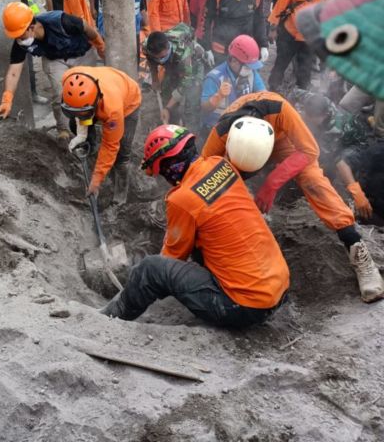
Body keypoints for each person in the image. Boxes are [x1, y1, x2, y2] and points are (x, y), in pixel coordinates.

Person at [201, 90, 384, 303]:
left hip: (280, 141)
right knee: (222, 190)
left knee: (313, 180)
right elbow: (202, 176)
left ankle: (358, 252)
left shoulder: (281, 109)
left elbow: (310, 151)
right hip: (238, 156)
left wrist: (272, 183)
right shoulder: (221, 134)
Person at [101, 124, 290, 327]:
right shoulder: (221, 165)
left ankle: (110, 318)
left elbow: (172, 257)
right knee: (202, 243)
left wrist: (136, 276)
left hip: (243, 308)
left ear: (167, 167)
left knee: (150, 269)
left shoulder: (182, 199)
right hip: (278, 288)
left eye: (161, 172)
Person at [0, 3, 105, 139]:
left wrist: (100, 45)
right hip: (55, 59)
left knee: (86, 93)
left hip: (81, 54)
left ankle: (88, 129)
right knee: (60, 94)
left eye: (20, 36)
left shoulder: (61, 21)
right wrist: (6, 100)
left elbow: (85, 26)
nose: (18, 39)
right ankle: (64, 131)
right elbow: (14, 71)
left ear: (31, 28)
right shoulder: (20, 43)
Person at [61, 67, 141, 204]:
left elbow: (110, 145)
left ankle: (120, 196)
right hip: (98, 93)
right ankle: (90, 149)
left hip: (128, 100)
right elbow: (80, 112)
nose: (80, 116)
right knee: (74, 124)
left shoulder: (112, 110)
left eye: (84, 114)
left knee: (121, 151)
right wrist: (82, 133)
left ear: (97, 102)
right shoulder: (68, 78)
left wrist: (96, 181)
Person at [268, 0, 337, 92]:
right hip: (289, 33)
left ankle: (302, 94)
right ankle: (273, 89)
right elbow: (280, 5)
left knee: (305, 70)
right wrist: (273, 28)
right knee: (280, 64)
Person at [202, 0, 267, 66]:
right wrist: (207, 48)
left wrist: (263, 44)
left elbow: (259, 20)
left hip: (245, 48)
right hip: (221, 49)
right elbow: (206, 23)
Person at [200, 35, 265, 137]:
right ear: (234, 61)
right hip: (216, 131)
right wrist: (218, 96)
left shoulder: (252, 73)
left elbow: (263, 95)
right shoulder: (214, 78)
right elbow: (204, 108)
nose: (250, 69)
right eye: (247, 66)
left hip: (241, 127)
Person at [143, 23, 205, 129]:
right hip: (172, 64)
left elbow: (185, 84)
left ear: (168, 47)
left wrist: (167, 108)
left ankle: (191, 130)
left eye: (162, 57)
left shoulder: (184, 56)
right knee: (167, 91)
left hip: (194, 64)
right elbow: (151, 60)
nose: (159, 60)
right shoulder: (147, 47)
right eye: (157, 58)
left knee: (191, 97)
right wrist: (155, 79)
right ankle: (171, 124)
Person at [17, 0, 47, 105]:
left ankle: (33, 93)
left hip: (27, 27)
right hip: (17, 30)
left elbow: (30, 3)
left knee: (29, 64)